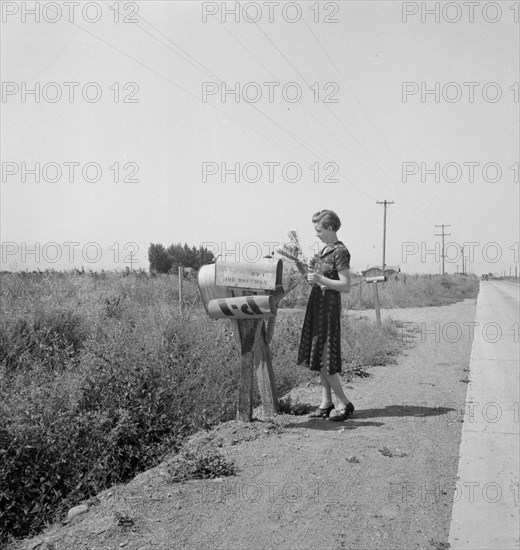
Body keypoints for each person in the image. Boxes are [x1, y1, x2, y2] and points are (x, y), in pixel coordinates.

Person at [297, 210, 354, 421]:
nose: (317, 234)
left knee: (325, 357)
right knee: (320, 355)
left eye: (319, 230)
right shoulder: (325, 251)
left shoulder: (340, 252)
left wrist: (320, 278)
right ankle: (326, 402)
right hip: (318, 307)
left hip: (328, 310)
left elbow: (345, 285)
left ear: (330, 228)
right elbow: (315, 281)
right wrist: (300, 264)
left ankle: (345, 404)